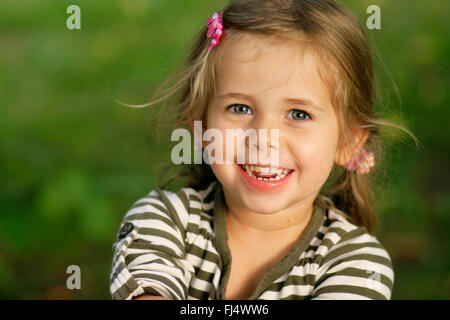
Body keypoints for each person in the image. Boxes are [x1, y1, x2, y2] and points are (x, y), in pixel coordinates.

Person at [110, 0, 413, 300]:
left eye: (298, 114)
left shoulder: (357, 264)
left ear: (348, 141)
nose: (263, 138)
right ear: (200, 125)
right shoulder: (163, 220)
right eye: (239, 108)